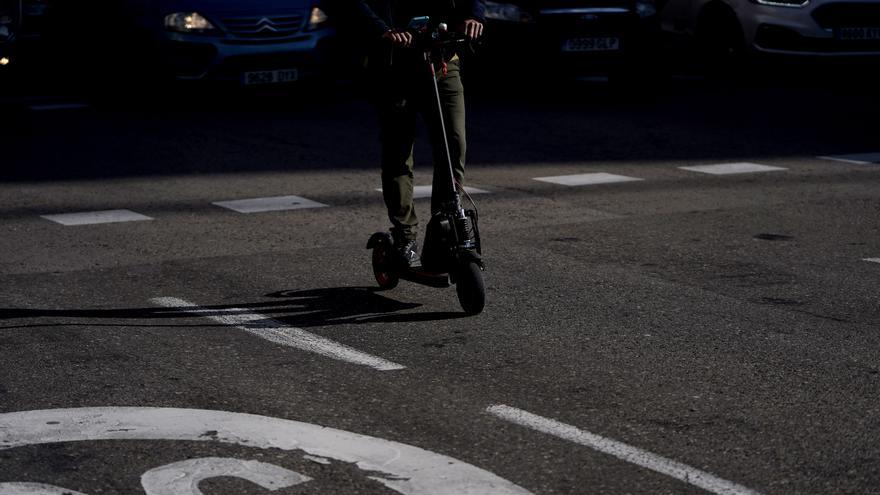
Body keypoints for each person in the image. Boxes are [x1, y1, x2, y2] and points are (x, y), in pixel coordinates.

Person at [335, 0, 485, 267]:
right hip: (395, 67)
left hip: (442, 62)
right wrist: (383, 29)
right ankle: (405, 235)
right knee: (398, 151)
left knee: (454, 144)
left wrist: (474, 16)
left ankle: (444, 225)